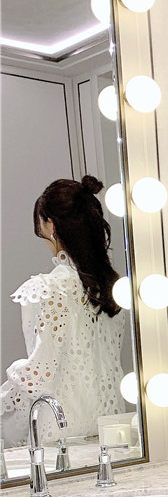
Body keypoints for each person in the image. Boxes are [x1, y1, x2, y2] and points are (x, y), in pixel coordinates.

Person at [0, 175, 127, 448]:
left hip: (61, 439)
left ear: (51, 225)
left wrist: (6, 397)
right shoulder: (113, 290)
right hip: (113, 433)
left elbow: (39, 375)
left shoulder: (49, 289)